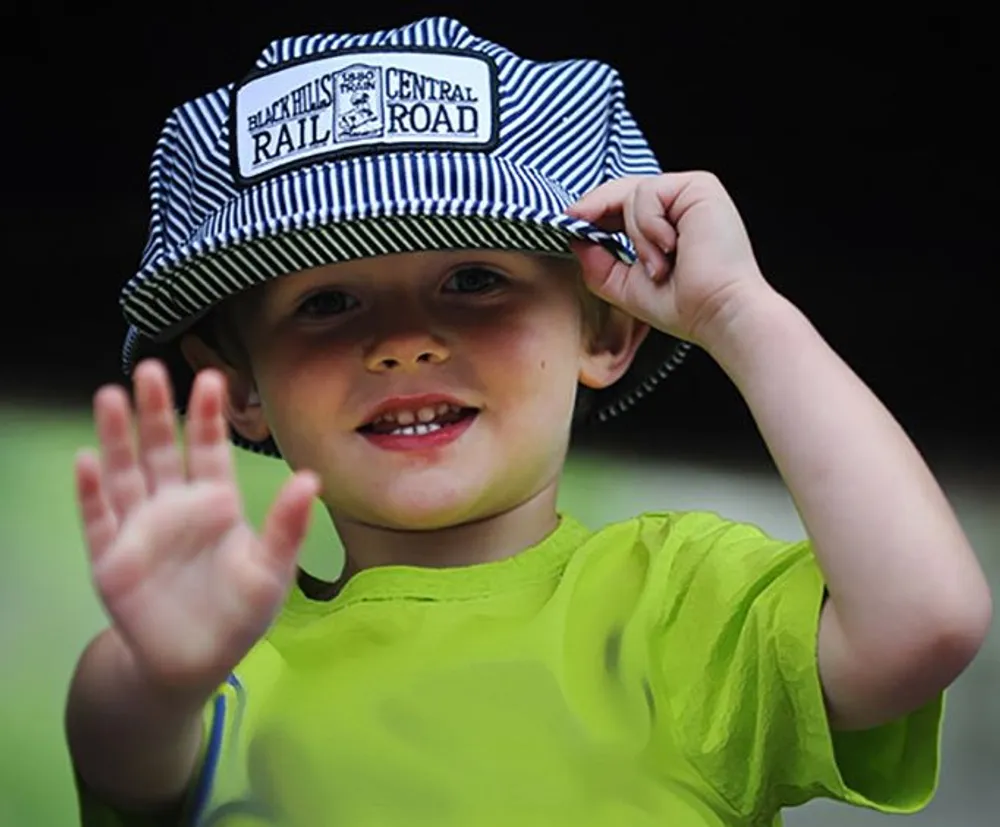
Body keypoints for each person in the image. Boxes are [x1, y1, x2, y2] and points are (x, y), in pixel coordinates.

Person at [65, 16, 991, 827]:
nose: (403, 344)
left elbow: (928, 622)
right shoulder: (214, 661)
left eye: (474, 280)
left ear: (608, 329)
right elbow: (121, 747)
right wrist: (158, 676)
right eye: (327, 300)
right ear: (240, 385)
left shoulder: (673, 603)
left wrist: (740, 314)